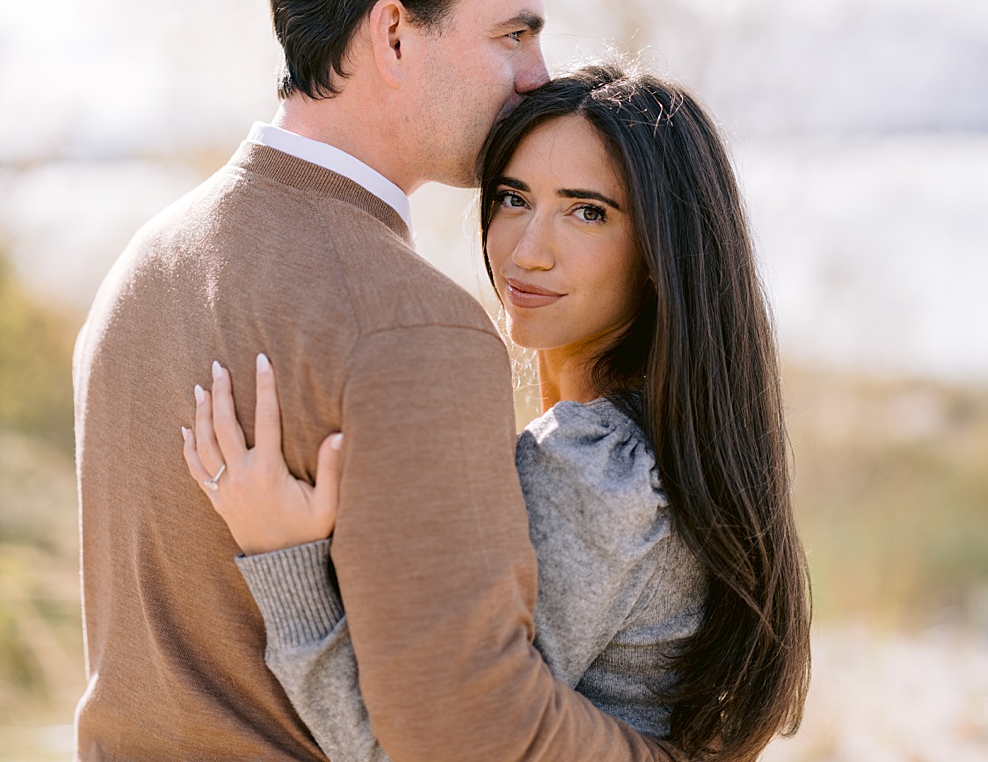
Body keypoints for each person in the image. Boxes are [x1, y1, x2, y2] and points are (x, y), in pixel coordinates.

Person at [73, 0, 673, 760]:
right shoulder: (415, 328)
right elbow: (472, 733)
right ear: (393, 34)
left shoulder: (139, 270)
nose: (536, 75)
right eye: (512, 35)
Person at [184, 62, 813, 762]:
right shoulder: (659, 446)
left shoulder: (593, 471)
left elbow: (423, 750)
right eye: (513, 200)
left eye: (587, 212)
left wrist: (285, 561)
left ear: (660, 251)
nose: (527, 251)